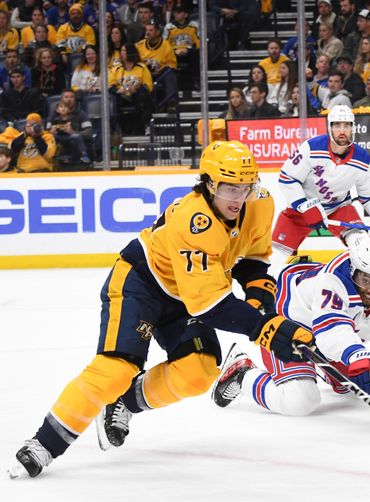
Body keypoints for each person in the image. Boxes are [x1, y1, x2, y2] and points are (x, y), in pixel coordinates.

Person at [7, 140, 315, 479]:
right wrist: (265, 328)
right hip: (141, 285)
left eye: (246, 186)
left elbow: (253, 260)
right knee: (115, 369)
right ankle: (43, 444)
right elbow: (211, 305)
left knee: (199, 371)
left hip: (185, 295)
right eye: (230, 187)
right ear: (210, 183)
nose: (239, 196)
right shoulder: (193, 220)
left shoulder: (260, 203)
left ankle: (123, 402)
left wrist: (261, 304)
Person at [212, 232, 370, 423]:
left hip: (327, 332)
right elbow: (331, 328)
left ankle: (324, 371)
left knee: (350, 386)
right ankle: (242, 373)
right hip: (290, 320)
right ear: (353, 270)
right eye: (365, 279)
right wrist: (358, 355)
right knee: (300, 401)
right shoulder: (331, 281)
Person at [271, 104, 370, 259]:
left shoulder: (363, 159)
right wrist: (305, 207)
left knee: (363, 245)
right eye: (337, 125)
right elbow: (287, 178)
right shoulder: (311, 148)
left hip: (338, 208)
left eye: (347, 125)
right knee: (276, 258)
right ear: (329, 127)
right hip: (301, 210)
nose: (342, 131)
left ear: (353, 128)